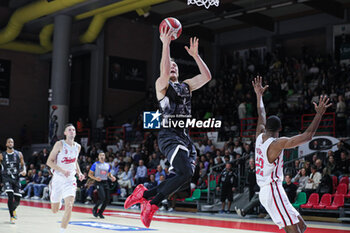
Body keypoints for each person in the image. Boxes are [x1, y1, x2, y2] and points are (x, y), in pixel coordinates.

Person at [124, 27, 211, 228]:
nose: (172, 67)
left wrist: (196, 56)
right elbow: (164, 71)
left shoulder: (187, 85)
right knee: (183, 173)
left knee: (185, 177)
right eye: (169, 65)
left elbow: (206, 77)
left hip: (185, 138)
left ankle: (143, 194)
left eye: (175, 66)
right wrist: (166, 44)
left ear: (179, 71)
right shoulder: (161, 85)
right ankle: (152, 204)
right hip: (169, 135)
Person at [253, 76, 331, 233]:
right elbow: (307, 137)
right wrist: (319, 114)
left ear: (266, 127)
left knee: (301, 226)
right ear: (279, 129)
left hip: (269, 190)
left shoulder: (259, 136)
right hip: (272, 189)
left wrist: (259, 95)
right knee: (293, 231)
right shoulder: (276, 144)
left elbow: (261, 113)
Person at [46, 124, 85, 233]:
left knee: (69, 205)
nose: (72, 131)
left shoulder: (78, 147)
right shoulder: (59, 144)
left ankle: (62, 231)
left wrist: (79, 172)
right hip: (58, 178)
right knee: (54, 210)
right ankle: (52, 190)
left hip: (70, 179)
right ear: (65, 133)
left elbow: (74, 161)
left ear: (75, 133)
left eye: (73, 130)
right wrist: (62, 170)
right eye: (69, 130)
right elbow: (49, 162)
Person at [0, 138, 26, 224]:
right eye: (9, 142)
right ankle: (12, 216)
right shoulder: (2, 155)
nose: (11, 143)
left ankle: (13, 210)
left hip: (17, 178)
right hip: (6, 178)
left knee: (17, 200)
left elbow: (23, 164)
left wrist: (24, 170)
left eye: (12, 142)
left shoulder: (19, 154)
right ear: (6, 144)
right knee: (10, 196)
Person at [88, 152, 116, 218]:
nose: (102, 156)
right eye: (100, 155)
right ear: (98, 156)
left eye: (103, 155)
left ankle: (100, 212)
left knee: (107, 199)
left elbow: (108, 174)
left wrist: (112, 177)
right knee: (102, 197)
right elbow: (89, 174)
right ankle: (95, 208)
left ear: (105, 157)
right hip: (98, 182)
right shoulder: (95, 164)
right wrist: (95, 178)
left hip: (105, 182)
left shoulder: (107, 165)